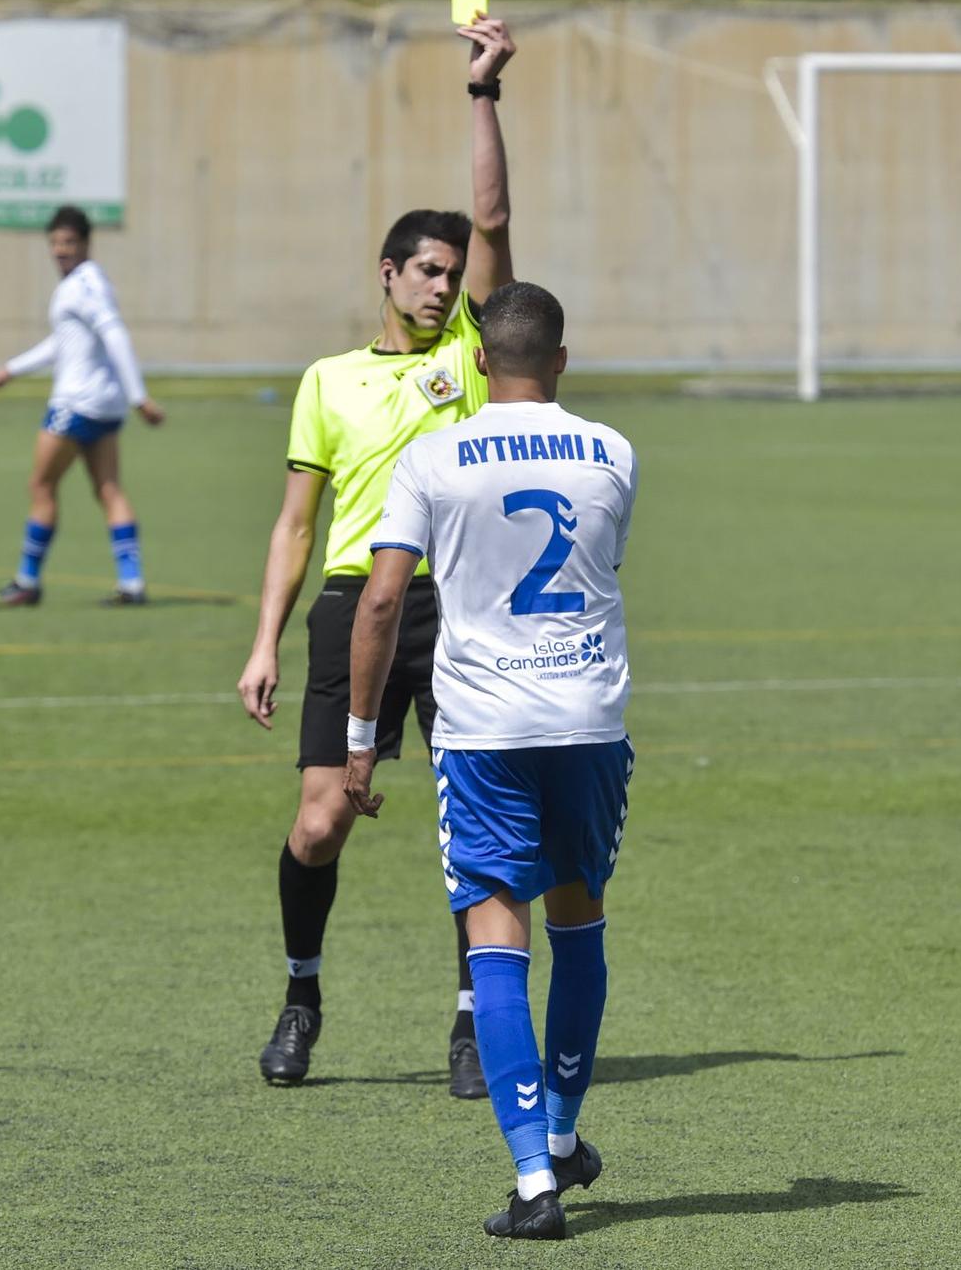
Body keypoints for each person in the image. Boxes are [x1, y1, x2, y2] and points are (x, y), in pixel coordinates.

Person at [236, 16, 519, 1095]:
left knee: (473, 825)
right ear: (389, 274)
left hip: (460, 610)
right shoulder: (328, 379)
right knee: (320, 820)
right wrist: (262, 638)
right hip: (353, 607)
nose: (443, 287)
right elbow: (295, 525)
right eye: (426, 272)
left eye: (453, 274)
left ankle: (467, 1019)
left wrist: (481, 93)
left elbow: (491, 217)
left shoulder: (468, 356)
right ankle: (301, 994)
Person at [344, 281, 637, 1240]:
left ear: (477, 362)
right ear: (561, 359)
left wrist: (360, 739)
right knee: (579, 921)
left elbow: (383, 602)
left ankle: (531, 1182)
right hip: (588, 719)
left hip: (484, 730)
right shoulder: (612, 453)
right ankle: (558, 1134)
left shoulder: (432, 457)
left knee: (495, 939)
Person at [0, 205, 165, 608]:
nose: (60, 250)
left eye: (69, 242)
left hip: (76, 404)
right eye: (55, 243)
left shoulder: (81, 288)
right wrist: (11, 369)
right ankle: (131, 584)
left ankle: (27, 581)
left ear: (85, 243)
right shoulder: (93, 282)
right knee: (109, 488)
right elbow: (63, 343)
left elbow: (114, 334)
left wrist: (140, 397)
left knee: (41, 485)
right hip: (105, 406)